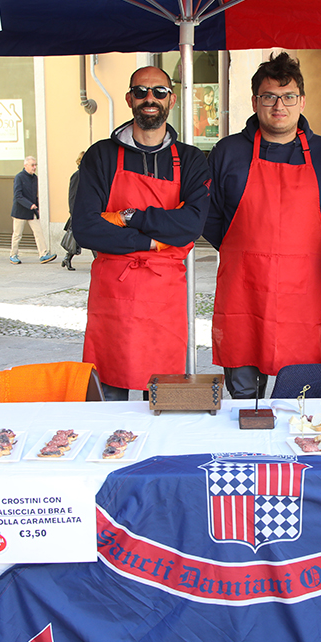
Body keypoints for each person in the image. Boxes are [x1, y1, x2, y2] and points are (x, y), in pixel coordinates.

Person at [204, 52, 321, 399]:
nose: (279, 106)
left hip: (304, 295)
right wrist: (238, 243)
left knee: (299, 398)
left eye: (288, 97)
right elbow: (208, 214)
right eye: (269, 97)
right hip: (243, 290)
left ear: (301, 101)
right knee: (244, 400)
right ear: (255, 101)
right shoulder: (227, 152)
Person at [69, 65, 211, 400]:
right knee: (107, 398)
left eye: (159, 92)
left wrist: (126, 216)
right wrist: (153, 241)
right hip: (112, 296)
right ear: (130, 98)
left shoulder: (190, 160)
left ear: (171, 99)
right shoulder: (101, 156)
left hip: (165, 297)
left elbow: (191, 225)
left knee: (165, 397)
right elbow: (86, 228)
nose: (150, 98)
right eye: (142, 91)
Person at [10, 156, 55, 265]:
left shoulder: (35, 178)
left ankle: (43, 254)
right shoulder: (19, 177)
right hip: (20, 211)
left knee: (38, 232)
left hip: (32, 211)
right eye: (32, 165)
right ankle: (13, 255)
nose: (34, 167)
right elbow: (18, 196)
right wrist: (30, 205)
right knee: (17, 234)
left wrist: (37, 207)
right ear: (25, 166)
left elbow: (34, 195)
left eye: (35, 165)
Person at [61, 152, 84, 270]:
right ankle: (67, 258)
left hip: (86, 212)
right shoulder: (77, 175)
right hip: (79, 213)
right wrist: (73, 213)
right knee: (88, 236)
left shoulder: (88, 175)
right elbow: (72, 196)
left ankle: (67, 258)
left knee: (85, 237)